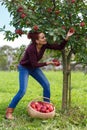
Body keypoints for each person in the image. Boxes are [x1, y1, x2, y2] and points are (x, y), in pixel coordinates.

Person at [5, 28, 74, 120]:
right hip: (24, 68)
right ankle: (9, 112)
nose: (45, 38)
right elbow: (34, 64)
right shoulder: (31, 48)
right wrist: (48, 63)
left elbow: (60, 47)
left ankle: (46, 108)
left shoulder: (44, 45)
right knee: (22, 91)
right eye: (42, 38)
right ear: (37, 41)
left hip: (34, 68)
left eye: (44, 37)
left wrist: (67, 37)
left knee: (46, 85)